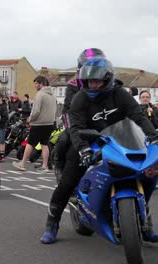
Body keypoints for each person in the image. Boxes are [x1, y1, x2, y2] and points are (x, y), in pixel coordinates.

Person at [40, 57, 158, 244]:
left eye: (97, 81)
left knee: (144, 175)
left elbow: (138, 116)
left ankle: (146, 224)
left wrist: (153, 137)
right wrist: (83, 149)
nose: (93, 85)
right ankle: (52, 223)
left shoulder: (120, 94)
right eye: (89, 82)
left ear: (108, 79)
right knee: (67, 182)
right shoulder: (80, 98)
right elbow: (76, 128)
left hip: (120, 141)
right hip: (87, 142)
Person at [54, 48, 106, 178]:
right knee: (64, 139)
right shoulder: (73, 84)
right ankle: (59, 165)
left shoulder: (105, 84)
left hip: (97, 121)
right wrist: (72, 127)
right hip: (76, 120)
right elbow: (68, 108)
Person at [13, 76, 57, 173]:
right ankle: (45, 166)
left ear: (40, 83)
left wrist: (30, 119)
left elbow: (36, 111)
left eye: (36, 83)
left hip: (39, 123)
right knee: (44, 144)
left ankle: (22, 163)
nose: (34, 85)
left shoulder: (40, 94)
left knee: (30, 143)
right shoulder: (53, 95)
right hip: (50, 123)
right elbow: (55, 109)